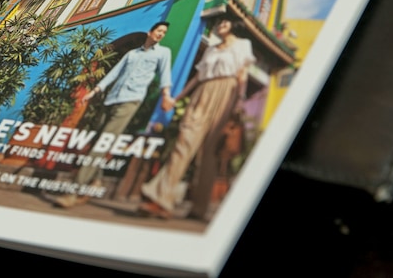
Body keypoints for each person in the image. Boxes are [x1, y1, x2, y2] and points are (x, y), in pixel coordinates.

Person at [138, 14, 255, 221]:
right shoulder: (211, 49)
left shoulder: (242, 45)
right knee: (184, 141)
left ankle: (200, 207)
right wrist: (176, 99)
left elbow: (242, 74)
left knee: (210, 151)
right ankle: (161, 198)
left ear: (233, 25)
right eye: (219, 22)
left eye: (225, 22)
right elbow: (197, 78)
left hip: (227, 92)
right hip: (203, 92)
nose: (220, 25)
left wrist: (239, 100)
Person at [52, 21, 174, 209]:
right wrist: (95, 91)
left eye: (164, 33)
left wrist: (166, 95)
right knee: (98, 141)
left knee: (103, 143)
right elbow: (114, 74)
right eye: (159, 31)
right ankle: (95, 182)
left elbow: (165, 75)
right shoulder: (131, 54)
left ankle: (73, 191)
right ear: (150, 32)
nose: (161, 34)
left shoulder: (163, 53)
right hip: (112, 99)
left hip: (131, 100)